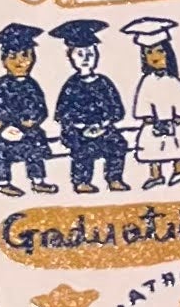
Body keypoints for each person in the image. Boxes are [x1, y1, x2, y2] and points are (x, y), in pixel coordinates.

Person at [48, 19, 129, 194]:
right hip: (79, 132)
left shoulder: (103, 83)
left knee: (117, 144)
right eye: (80, 54)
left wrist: (103, 124)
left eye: (90, 54)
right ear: (70, 56)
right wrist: (81, 126)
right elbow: (63, 114)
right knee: (82, 150)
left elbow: (117, 110)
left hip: (103, 128)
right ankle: (81, 181)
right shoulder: (71, 86)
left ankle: (114, 178)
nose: (85, 59)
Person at [121, 18, 180, 188]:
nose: (154, 57)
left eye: (159, 51)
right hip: (155, 123)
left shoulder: (172, 80)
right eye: (149, 53)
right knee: (150, 144)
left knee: (177, 142)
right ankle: (155, 174)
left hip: (174, 122)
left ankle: (179, 169)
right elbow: (143, 102)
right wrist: (148, 117)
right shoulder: (147, 81)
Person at [0, 24, 57, 198]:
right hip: (1, 132)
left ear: (33, 58)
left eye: (25, 55)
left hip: (25, 131)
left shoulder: (32, 86)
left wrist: (29, 123)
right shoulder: (0, 86)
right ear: (4, 61)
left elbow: (40, 110)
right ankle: (2, 182)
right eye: (12, 56)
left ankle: (38, 180)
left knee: (36, 141)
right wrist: (3, 128)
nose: (19, 62)